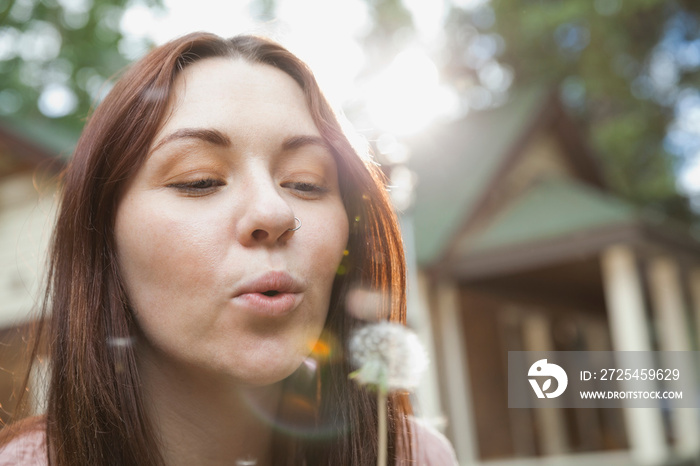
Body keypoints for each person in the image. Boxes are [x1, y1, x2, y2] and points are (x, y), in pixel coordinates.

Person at [0, 32, 457, 465]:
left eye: (306, 182)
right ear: (103, 238)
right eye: (199, 181)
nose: (274, 213)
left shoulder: (416, 457)